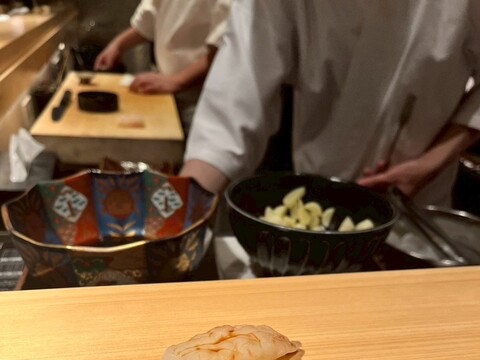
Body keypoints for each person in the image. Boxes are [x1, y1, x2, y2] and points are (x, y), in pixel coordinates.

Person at [181, 0, 480, 206]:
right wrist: (187, 202)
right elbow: (236, 91)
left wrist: (427, 166)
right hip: (314, 195)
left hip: (416, 206)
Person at [94, 0, 231, 133]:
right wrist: (118, 45)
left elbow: (226, 49)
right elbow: (148, 19)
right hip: (167, 93)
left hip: (201, 102)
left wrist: (177, 81)